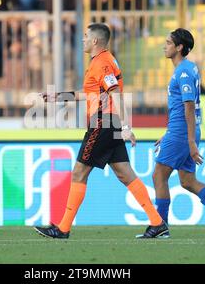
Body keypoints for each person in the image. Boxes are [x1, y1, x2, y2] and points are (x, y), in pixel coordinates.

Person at [34, 23, 168, 239]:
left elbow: (115, 94)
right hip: (109, 123)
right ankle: (157, 223)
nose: (83, 40)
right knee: (125, 174)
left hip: (103, 124)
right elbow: (89, 93)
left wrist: (126, 127)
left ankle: (63, 228)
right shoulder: (101, 61)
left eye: (86, 36)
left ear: (95, 41)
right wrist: (59, 96)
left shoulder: (103, 63)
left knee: (79, 172)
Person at [152, 28, 205, 239]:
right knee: (187, 181)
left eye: (169, 43)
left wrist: (189, 141)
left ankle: (160, 226)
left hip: (183, 132)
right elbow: (183, 108)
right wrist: (170, 133)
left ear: (179, 47)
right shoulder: (190, 68)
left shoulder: (183, 72)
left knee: (158, 176)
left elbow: (189, 107)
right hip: (181, 131)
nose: (165, 46)